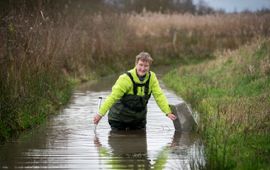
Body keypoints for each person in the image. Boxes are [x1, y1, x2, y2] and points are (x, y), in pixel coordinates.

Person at [93, 52, 176, 130]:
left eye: (146, 66)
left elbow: (159, 96)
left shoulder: (152, 78)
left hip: (139, 120)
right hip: (119, 119)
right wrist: (100, 114)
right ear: (136, 64)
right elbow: (112, 98)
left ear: (149, 66)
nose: (143, 69)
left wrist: (167, 112)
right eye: (140, 65)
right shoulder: (125, 78)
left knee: (140, 143)